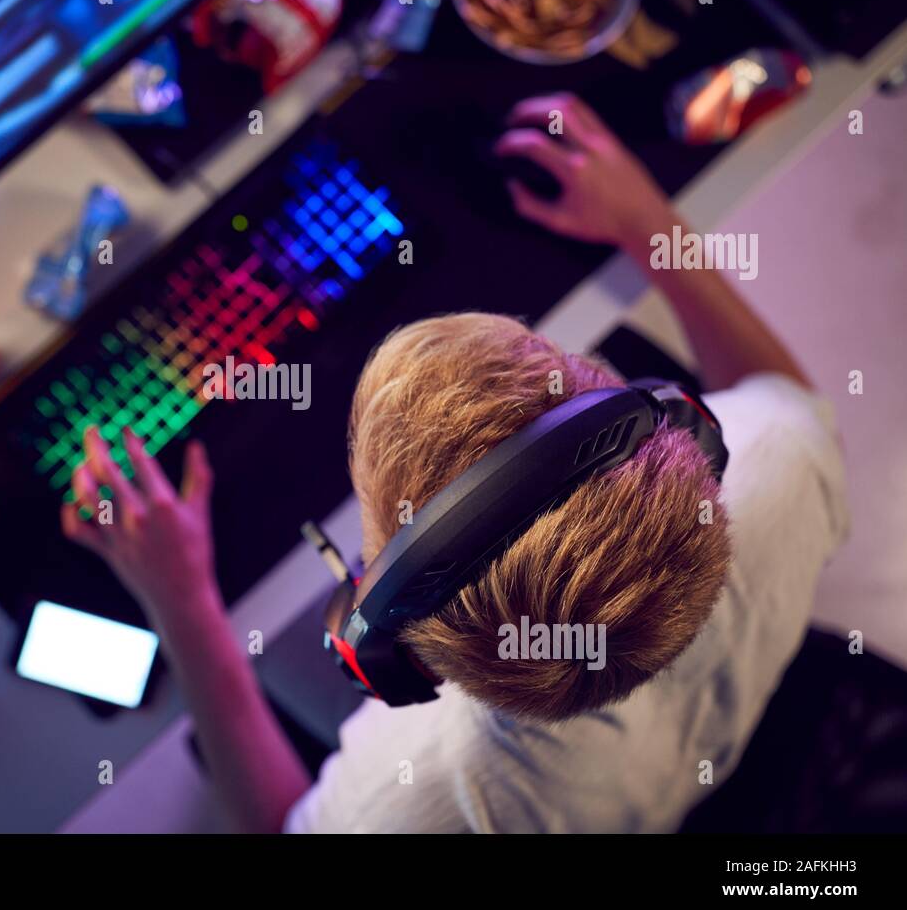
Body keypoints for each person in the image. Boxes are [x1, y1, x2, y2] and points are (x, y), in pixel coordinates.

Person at [60, 94, 848, 833]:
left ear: (377, 644)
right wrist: (646, 220)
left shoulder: (421, 802)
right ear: (662, 417)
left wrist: (183, 600)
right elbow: (785, 398)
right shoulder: (775, 459)